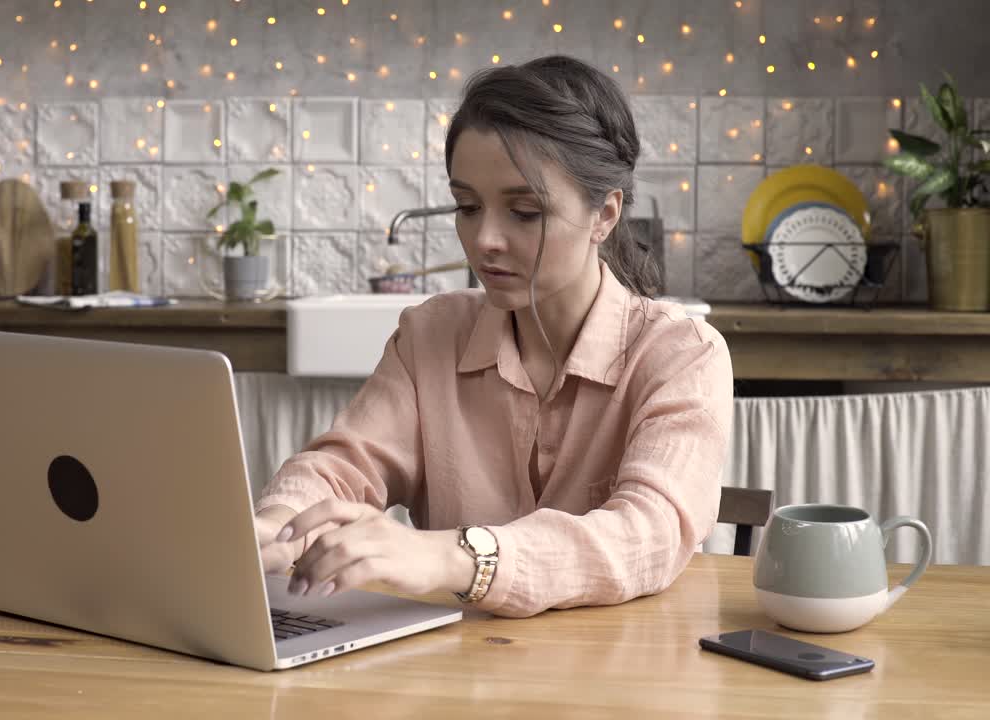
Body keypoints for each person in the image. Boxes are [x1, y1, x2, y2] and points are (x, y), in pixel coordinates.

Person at [254, 54, 734, 618]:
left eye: (525, 212)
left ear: (605, 214)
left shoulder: (682, 354)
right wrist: (272, 528)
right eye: (467, 206)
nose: (485, 239)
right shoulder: (429, 333)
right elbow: (343, 468)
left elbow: (647, 533)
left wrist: (453, 558)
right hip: (452, 673)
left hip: (617, 679)